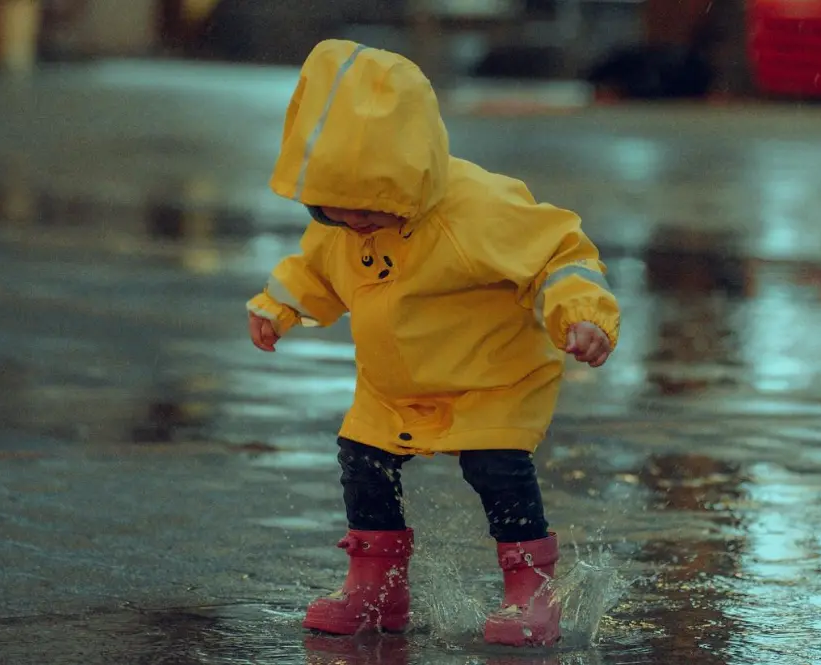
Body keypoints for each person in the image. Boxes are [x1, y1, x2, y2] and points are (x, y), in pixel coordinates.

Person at [247, 39, 621, 647]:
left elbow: (560, 253)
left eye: (369, 213)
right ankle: (376, 590)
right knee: (362, 463)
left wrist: (582, 314)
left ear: (404, 180)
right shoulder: (343, 227)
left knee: (497, 470)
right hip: (391, 389)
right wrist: (280, 305)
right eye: (334, 214)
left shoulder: (478, 209)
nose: (354, 226)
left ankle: (531, 594)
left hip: (488, 381)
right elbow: (316, 267)